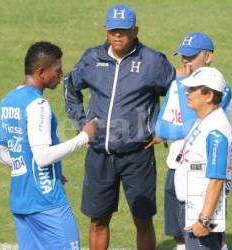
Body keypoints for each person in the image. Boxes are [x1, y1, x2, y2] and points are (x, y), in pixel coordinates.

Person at [63, 4, 175, 250]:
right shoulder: (92, 58)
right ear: (105, 30)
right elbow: (70, 86)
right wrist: (82, 124)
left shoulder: (153, 62)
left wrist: (163, 128)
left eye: (123, 31)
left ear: (135, 31)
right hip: (99, 154)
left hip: (138, 155)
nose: (117, 35)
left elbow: (176, 92)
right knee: (98, 220)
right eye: (113, 30)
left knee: (143, 219)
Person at [0, 41, 97, 250]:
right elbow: (42, 157)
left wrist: (39, 171)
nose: (61, 75)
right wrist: (84, 137)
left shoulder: (8, 101)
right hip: (47, 203)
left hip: (21, 203)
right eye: (57, 71)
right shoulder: (38, 104)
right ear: (41, 72)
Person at [152, 32, 232, 250]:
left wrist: (180, 84)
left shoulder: (217, 88)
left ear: (208, 57)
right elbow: (159, 128)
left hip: (203, 177)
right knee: (181, 234)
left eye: (192, 56)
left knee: (211, 238)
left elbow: (190, 126)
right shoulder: (182, 87)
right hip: (177, 167)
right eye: (183, 56)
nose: (186, 61)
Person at [171, 66, 232, 249]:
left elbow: (216, 180)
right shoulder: (204, 120)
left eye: (193, 89)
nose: (187, 92)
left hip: (200, 210)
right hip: (191, 205)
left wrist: (204, 220)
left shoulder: (216, 130)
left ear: (209, 95)